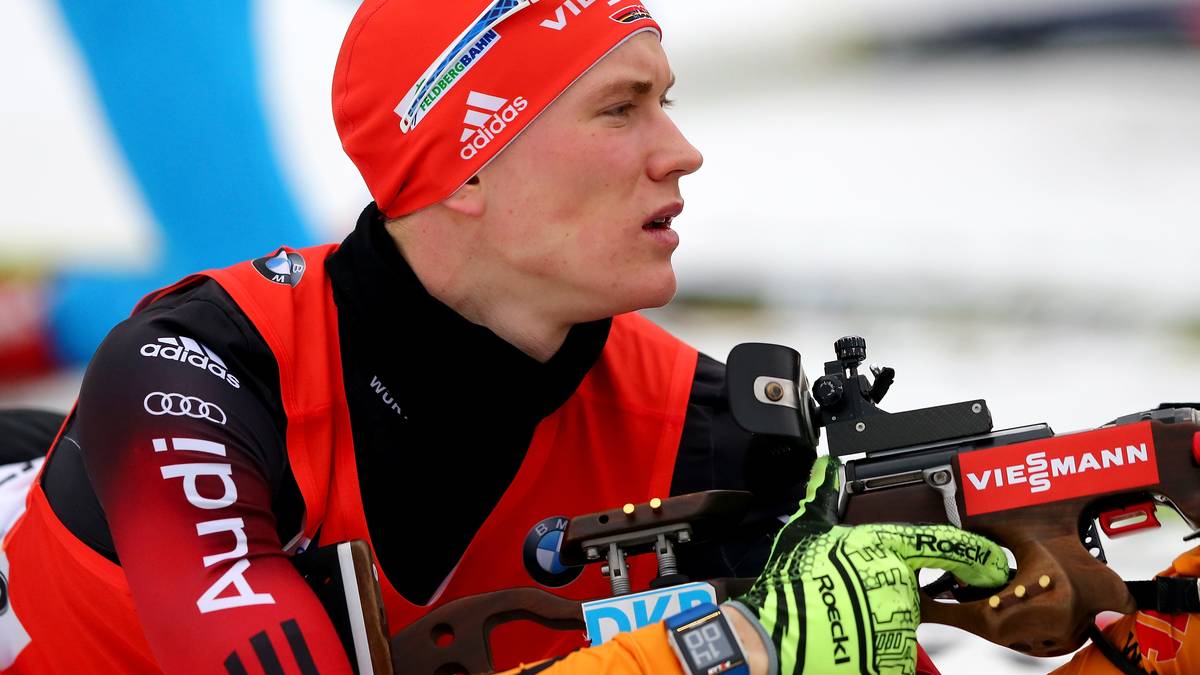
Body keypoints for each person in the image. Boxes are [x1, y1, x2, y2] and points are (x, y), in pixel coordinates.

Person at [0, 2, 1015, 674]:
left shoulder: (700, 430)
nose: (682, 152)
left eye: (667, 101)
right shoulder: (196, 376)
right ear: (465, 169)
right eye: (621, 109)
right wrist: (703, 655)